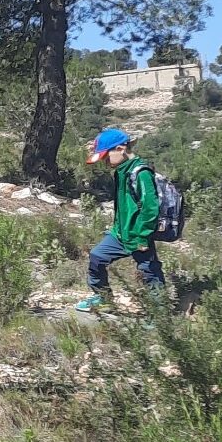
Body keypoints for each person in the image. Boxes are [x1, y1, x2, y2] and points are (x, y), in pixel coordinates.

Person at [76, 127, 165, 311]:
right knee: (97, 257)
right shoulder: (121, 171)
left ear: (120, 149)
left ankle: (159, 314)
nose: (105, 162)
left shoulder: (141, 172)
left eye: (106, 157)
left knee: (149, 270)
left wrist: (142, 236)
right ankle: (104, 298)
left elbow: (150, 208)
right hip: (120, 233)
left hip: (138, 234)